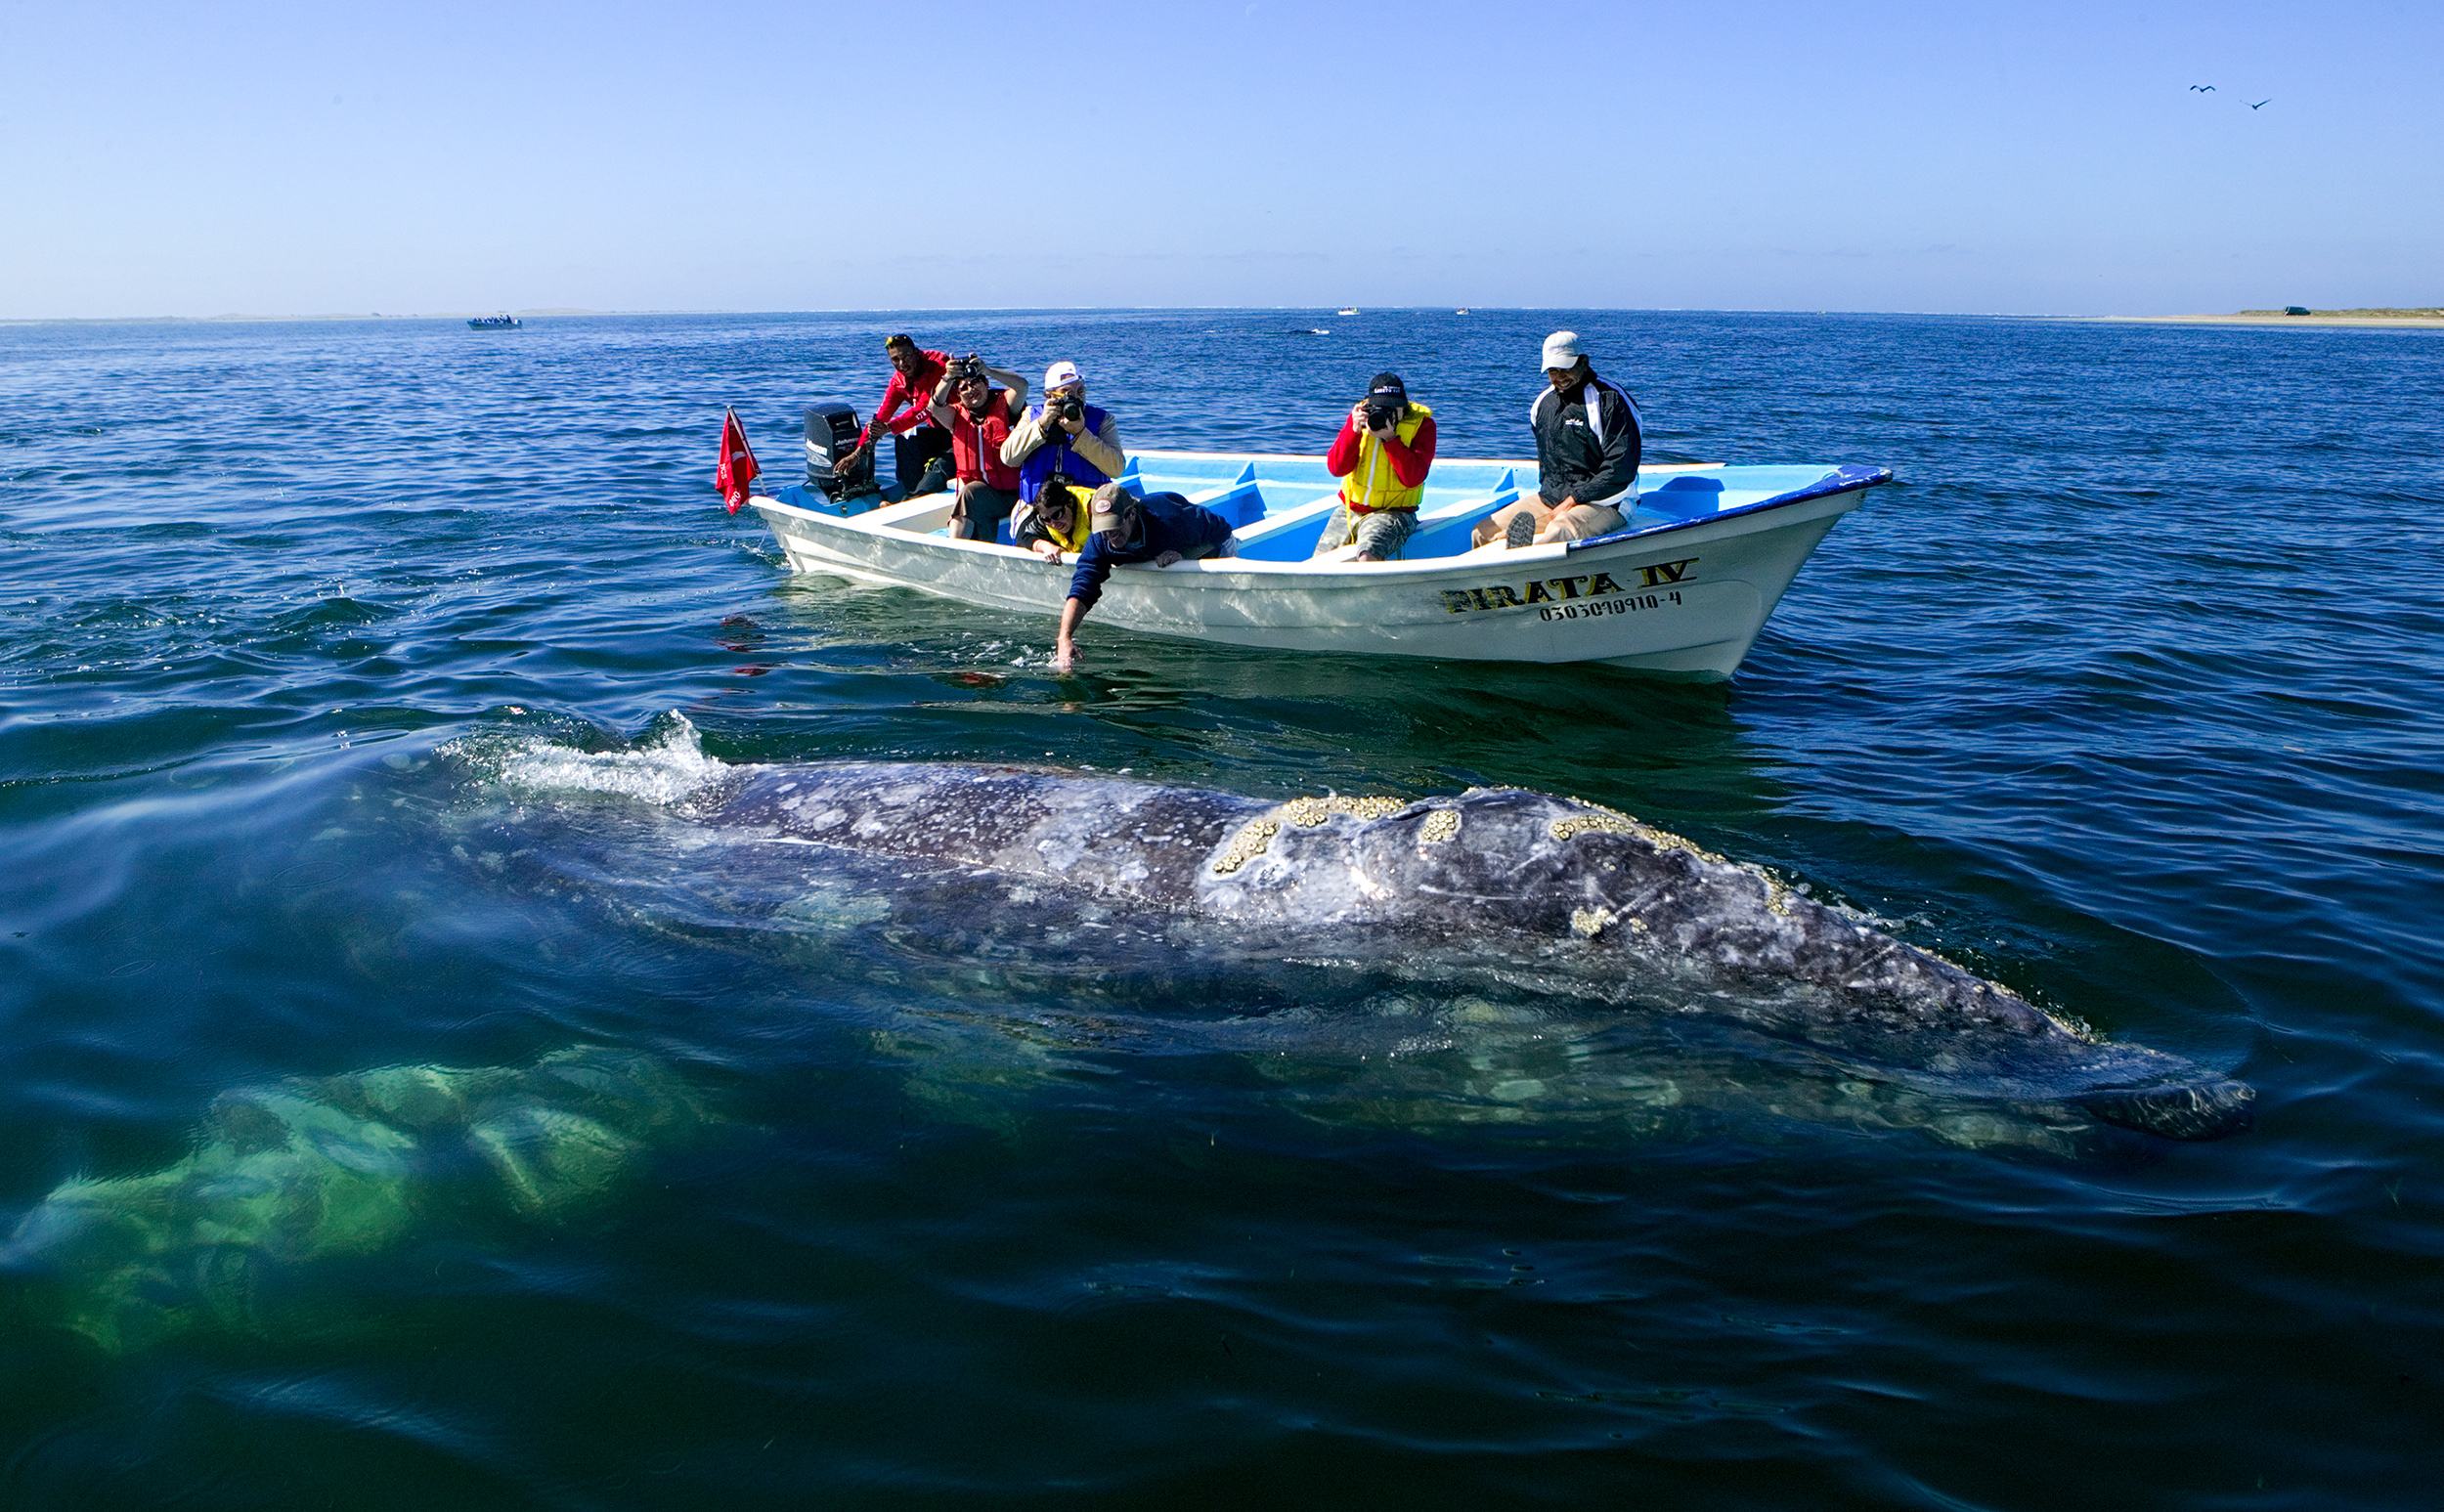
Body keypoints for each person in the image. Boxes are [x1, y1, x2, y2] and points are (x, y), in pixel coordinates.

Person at [1473, 330, 1643, 548]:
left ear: (1583, 362)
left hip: (1607, 502)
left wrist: (1573, 499)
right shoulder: (1543, 403)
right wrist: (1557, 500)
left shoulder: (1610, 402)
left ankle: (1528, 570)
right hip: (1553, 499)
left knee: (1559, 532)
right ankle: (1495, 576)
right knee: (1485, 531)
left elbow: (1621, 467)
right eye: (1553, 370)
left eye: (1566, 368)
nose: (1560, 376)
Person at [1053, 484, 1235, 670]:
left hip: (1209, 543)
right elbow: (1083, 586)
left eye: (1115, 527)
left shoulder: (1169, 518)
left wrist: (1185, 555)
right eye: (1104, 529)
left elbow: (1221, 532)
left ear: (1131, 514)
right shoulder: (1100, 540)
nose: (1110, 536)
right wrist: (1065, 637)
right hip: (1160, 548)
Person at [1311, 372, 1436, 561]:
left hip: (1396, 512)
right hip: (1351, 509)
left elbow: (1413, 479)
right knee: (1320, 559)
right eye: (1380, 407)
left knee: (1367, 555)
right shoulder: (1360, 420)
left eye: (1393, 408)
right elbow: (1336, 469)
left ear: (1404, 406)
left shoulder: (1422, 426)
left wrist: (1391, 440)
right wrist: (1352, 432)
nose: (1386, 414)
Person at [926, 353, 1030, 540]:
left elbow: (1022, 386)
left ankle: (955, 547)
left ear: (986, 384)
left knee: (971, 493)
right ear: (958, 395)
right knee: (971, 494)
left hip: (1011, 495)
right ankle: (960, 550)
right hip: (978, 497)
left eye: (975, 383)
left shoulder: (1006, 405)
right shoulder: (955, 416)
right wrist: (948, 376)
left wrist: (988, 370)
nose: (970, 389)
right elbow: (934, 406)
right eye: (964, 388)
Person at [838, 335, 954, 499]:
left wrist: (889, 428)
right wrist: (858, 452)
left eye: (906, 356)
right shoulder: (898, 381)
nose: (902, 364)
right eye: (895, 359)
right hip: (939, 432)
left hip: (963, 432)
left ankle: (917, 497)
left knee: (943, 463)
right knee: (904, 441)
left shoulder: (937, 365)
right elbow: (879, 418)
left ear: (916, 352)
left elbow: (925, 408)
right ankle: (910, 492)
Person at [1000, 360, 1125, 507]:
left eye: (1080, 391)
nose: (1076, 398)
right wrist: (1041, 425)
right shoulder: (1032, 415)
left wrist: (1081, 434)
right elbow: (1008, 457)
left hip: (1084, 508)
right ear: (1049, 395)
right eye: (1067, 393)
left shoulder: (1103, 420)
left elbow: (1116, 469)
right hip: (1039, 508)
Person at [1012, 478, 1090, 563]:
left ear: (1070, 503)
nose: (1053, 524)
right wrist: (1046, 547)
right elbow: (1025, 537)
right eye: (1046, 519)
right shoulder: (1047, 516)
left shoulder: (1092, 512)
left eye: (1056, 515)